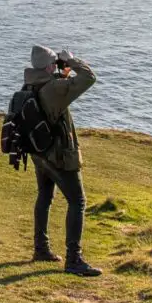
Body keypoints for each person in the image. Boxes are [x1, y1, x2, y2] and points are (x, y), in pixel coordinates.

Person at [23, 44, 102, 277]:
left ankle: (41, 249)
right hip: (59, 156)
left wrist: (63, 71)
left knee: (45, 196)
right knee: (78, 201)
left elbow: (57, 88)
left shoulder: (31, 83)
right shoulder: (54, 88)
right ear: (49, 66)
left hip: (40, 154)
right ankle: (73, 259)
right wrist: (73, 60)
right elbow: (89, 78)